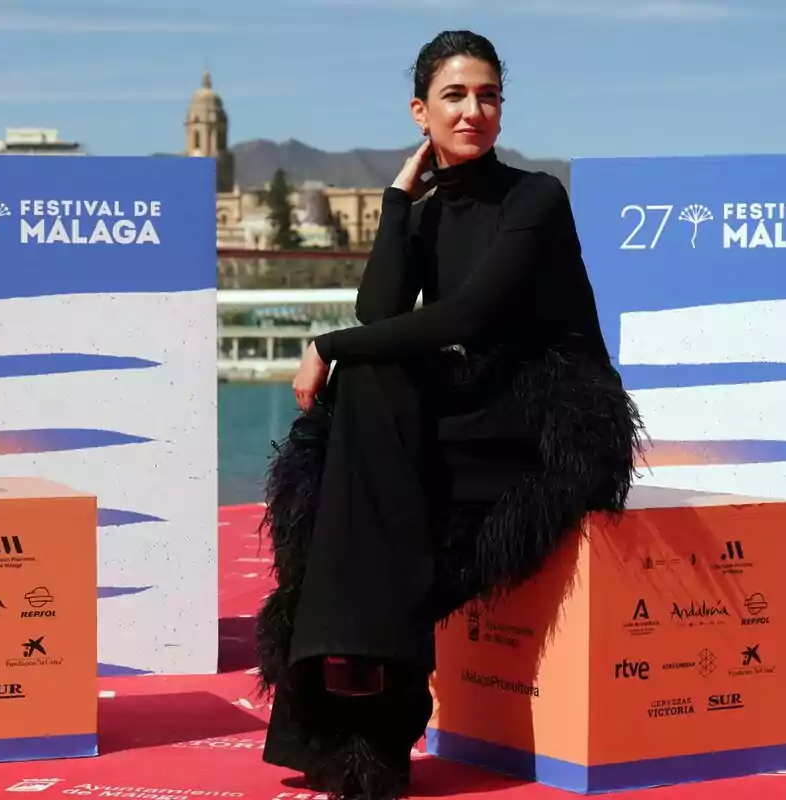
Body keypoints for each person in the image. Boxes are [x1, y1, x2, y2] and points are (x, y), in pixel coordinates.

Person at [254, 30, 644, 800]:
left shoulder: (535, 199)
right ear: (421, 112)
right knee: (362, 395)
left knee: (362, 396)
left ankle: (355, 705)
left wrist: (327, 344)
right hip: (475, 404)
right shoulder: (425, 211)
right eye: (455, 97)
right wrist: (400, 197)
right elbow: (381, 309)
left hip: (549, 422)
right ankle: (358, 699)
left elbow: (468, 316)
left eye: (489, 96)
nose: (475, 111)